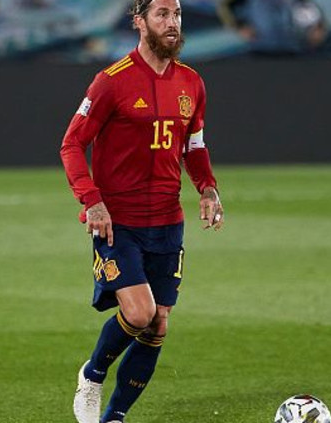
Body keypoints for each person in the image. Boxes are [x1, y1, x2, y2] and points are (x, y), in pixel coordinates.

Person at [60, 0, 223, 422]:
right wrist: (91, 200)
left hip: (167, 222)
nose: (172, 23)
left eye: (177, 14)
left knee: (158, 323)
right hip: (118, 223)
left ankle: (114, 417)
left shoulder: (192, 82)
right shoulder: (111, 81)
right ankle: (92, 375)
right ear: (139, 21)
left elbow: (194, 146)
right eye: (162, 14)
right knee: (138, 312)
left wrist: (207, 189)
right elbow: (72, 144)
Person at [217, 0, 328, 53]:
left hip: (296, 50)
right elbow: (225, 7)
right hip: (262, 50)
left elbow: (314, 17)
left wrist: (318, 30)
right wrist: (239, 27)